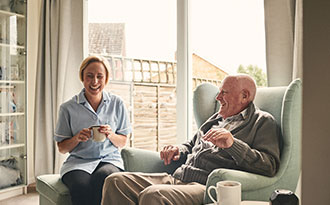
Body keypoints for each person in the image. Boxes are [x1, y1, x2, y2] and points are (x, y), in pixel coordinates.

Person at [101, 74, 281, 205]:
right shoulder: (217, 118)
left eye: (224, 93)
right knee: (115, 181)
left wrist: (232, 144)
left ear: (244, 96)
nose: (218, 98)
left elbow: (269, 165)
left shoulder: (262, 121)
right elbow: (191, 144)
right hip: (177, 177)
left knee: (154, 195)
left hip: (205, 186)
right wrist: (178, 149)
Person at [54, 55, 132, 205]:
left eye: (99, 76)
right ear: (82, 77)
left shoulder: (117, 103)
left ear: (106, 79)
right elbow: (62, 148)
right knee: (80, 186)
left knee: (104, 179)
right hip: (78, 162)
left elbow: (123, 141)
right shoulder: (67, 108)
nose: (94, 81)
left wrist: (110, 135)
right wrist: (77, 138)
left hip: (109, 160)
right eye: (89, 76)